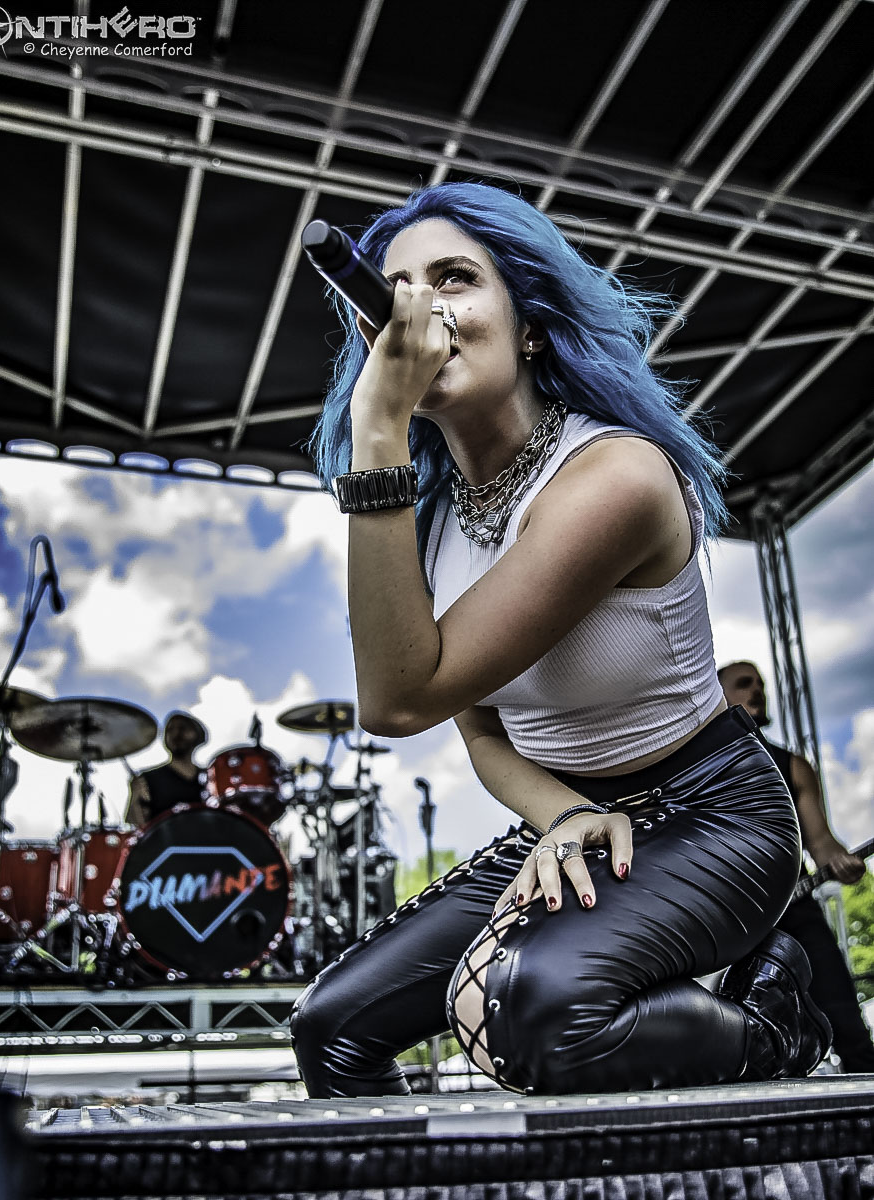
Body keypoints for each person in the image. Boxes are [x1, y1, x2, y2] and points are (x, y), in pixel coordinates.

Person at [291, 182, 830, 1098]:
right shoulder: (427, 520)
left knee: (513, 1008)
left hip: (713, 815)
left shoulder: (614, 476)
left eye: (454, 279)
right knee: (329, 1028)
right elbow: (476, 729)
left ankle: (770, 1028)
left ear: (530, 327)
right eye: (397, 288)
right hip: (574, 815)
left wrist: (376, 428)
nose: (419, 306)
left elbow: (398, 701)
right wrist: (563, 814)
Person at [718, 661, 874, 1071]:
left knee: (846, 1023)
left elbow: (821, 843)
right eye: (744, 683)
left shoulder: (792, 765)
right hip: (727, 916)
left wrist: (839, 860)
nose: (757, 690)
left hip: (795, 909)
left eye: (761, 684)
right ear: (716, 695)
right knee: (730, 1037)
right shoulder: (694, 765)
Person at [125, 711, 207, 826]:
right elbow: (135, 826)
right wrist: (135, 797)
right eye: (169, 730)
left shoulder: (210, 777)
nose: (176, 733)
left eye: (183, 728)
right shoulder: (149, 778)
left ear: (197, 735)